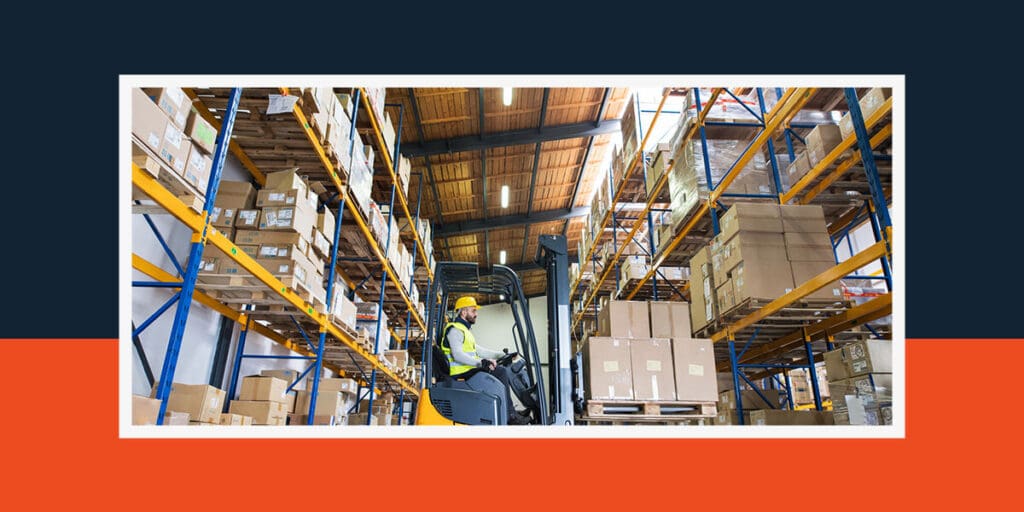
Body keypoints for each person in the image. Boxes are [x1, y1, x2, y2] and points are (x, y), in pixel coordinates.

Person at [441, 296, 532, 425]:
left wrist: (500, 355)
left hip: (468, 370)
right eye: (473, 311)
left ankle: (509, 412)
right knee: (500, 372)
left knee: (501, 370)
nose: (476, 314)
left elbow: (479, 350)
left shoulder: (465, 331)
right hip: (460, 374)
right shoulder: (454, 330)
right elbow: (457, 355)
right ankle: (510, 415)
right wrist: (481, 363)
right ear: (463, 312)